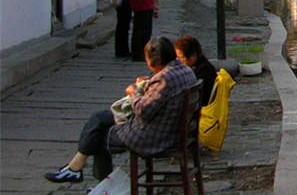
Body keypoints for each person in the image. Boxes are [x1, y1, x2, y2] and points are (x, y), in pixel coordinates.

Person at [44, 37, 197, 183]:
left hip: (153, 135)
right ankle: (74, 168)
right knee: (99, 118)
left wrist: (133, 92)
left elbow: (143, 112)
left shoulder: (163, 78)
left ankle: (102, 184)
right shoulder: (183, 70)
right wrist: (149, 84)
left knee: (98, 137)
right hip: (171, 127)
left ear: (154, 61)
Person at [174, 36, 217, 106]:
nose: (178, 61)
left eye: (181, 58)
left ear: (193, 56)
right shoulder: (198, 65)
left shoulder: (204, 71)